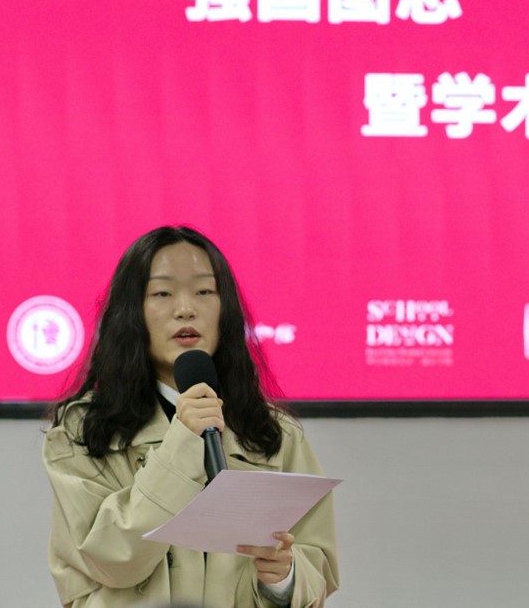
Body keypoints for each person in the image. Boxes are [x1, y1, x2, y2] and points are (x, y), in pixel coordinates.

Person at [43, 225, 339, 607]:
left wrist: (283, 577)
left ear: (225, 309)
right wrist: (182, 440)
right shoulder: (81, 431)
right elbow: (112, 561)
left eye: (204, 292)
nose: (186, 308)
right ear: (132, 312)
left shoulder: (273, 433)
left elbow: (317, 564)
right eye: (162, 293)